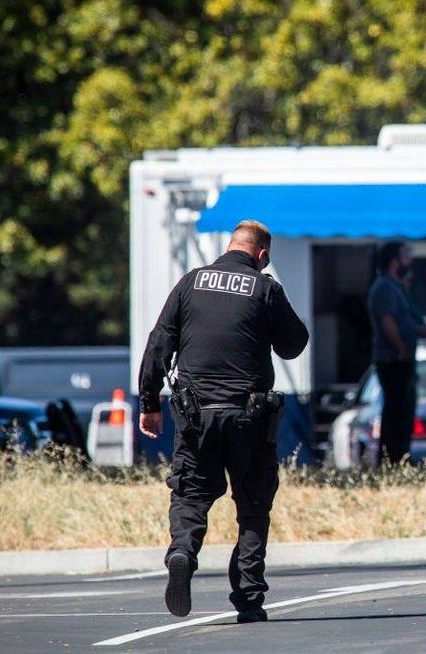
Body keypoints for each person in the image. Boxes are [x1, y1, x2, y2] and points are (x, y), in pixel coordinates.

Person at [138, 220, 309, 623]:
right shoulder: (264, 288)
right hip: (249, 417)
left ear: (230, 245)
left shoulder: (190, 283)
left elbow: (159, 343)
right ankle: (249, 598)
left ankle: (182, 551)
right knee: (252, 504)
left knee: (191, 494)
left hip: (196, 417)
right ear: (261, 255)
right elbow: (294, 345)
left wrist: (149, 402)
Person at [367, 240, 426, 464]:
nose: (409, 261)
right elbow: (387, 322)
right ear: (394, 261)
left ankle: (401, 456)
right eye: (405, 256)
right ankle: (392, 460)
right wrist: (402, 349)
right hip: (394, 360)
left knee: (404, 412)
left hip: (403, 360)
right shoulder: (384, 287)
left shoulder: (398, 287)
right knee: (396, 412)